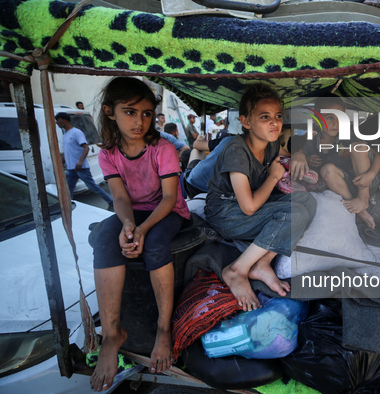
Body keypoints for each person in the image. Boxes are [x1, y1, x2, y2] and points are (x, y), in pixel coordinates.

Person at [89, 77, 190, 392]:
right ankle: (111, 334)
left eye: (147, 113)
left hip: (168, 212)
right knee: (106, 240)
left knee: (156, 246)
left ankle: (163, 329)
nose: (139, 121)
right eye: (130, 112)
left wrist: (143, 230)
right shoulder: (108, 152)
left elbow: (170, 198)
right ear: (110, 112)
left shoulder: (162, 148)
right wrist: (128, 225)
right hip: (133, 212)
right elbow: (119, 197)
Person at [205, 83, 316, 311]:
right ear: (246, 122)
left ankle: (262, 264)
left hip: (248, 209)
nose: (274, 123)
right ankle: (237, 269)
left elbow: (287, 153)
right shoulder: (236, 150)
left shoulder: (271, 144)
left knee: (307, 202)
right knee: (292, 213)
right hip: (226, 213)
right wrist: (274, 177)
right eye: (265, 117)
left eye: (277, 116)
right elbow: (248, 207)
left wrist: (300, 155)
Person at [290, 96, 380, 229]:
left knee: (359, 147)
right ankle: (358, 209)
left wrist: (371, 175)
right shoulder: (312, 141)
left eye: (340, 118)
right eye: (330, 117)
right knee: (327, 169)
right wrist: (306, 159)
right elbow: (300, 157)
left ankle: (363, 198)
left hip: (365, 181)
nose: (336, 123)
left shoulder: (347, 136)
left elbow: (377, 156)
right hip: (342, 185)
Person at [55, 112, 113, 209]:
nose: (57, 123)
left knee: (92, 187)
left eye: (58, 120)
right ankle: (68, 208)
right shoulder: (65, 135)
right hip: (71, 169)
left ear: (63, 120)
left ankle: (111, 202)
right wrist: (60, 163)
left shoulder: (76, 132)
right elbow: (66, 151)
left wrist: (80, 161)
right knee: (68, 190)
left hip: (80, 168)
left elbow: (86, 147)